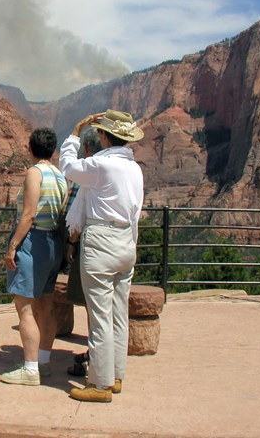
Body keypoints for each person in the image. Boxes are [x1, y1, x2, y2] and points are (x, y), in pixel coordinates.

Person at [59, 109, 144, 403]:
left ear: (105, 136)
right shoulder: (135, 168)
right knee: (119, 314)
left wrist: (75, 131)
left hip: (102, 242)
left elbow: (68, 167)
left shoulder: (101, 165)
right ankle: (116, 376)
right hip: (126, 243)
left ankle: (100, 384)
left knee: (100, 316)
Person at [1, 127, 67, 386]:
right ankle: (43, 362)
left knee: (25, 308)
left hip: (33, 243)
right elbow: (61, 215)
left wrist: (13, 246)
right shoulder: (60, 176)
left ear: (30, 147)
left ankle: (29, 370)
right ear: (52, 149)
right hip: (53, 243)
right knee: (46, 307)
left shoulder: (34, 173)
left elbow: (28, 214)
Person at [62, 127, 103, 377]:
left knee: (91, 304)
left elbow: (77, 211)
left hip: (91, 245)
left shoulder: (88, 174)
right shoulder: (124, 169)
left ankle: (93, 357)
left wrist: (71, 243)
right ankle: (102, 357)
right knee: (102, 306)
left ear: (87, 149)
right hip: (120, 245)